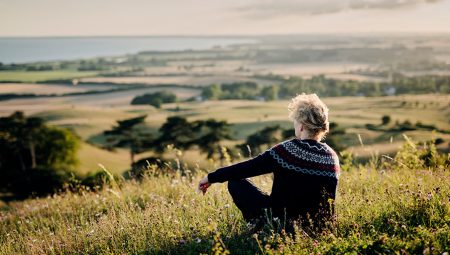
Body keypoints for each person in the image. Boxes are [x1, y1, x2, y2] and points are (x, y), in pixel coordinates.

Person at [198, 93, 340, 234]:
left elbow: (247, 168)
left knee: (235, 182)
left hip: (281, 224)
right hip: (322, 229)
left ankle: (261, 226)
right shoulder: (332, 156)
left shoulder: (288, 150)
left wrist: (211, 177)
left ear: (302, 126)